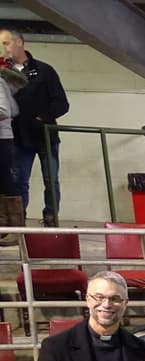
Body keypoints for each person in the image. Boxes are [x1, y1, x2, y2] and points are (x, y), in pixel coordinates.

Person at [0, 28, 68, 228]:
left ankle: (51, 217)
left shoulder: (44, 70)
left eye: (6, 43)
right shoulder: (4, 73)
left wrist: (42, 118)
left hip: (45, 136)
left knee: (51, 179)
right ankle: (19, 220)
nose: (3, 48)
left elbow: (62, 103)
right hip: (19, 137)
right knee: (20, 180)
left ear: (19, 43)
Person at [0, 59, 26, 246]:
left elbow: (4, 110)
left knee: (6, 180)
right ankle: (3, 226)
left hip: (2, 138)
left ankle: (17, 229)